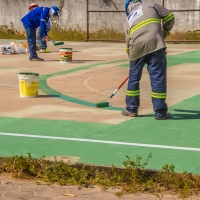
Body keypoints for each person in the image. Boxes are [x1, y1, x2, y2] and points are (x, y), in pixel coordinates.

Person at [122, 0, 175, 120]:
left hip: (136, 49)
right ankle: (160, 112)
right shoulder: (150, 4)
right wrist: (165, 30)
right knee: (157, 79)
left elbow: (127, 45)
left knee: (133, 79)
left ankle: (131, 109)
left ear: (128, 9)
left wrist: (133, 63)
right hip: (155, 45)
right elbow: (170, 16)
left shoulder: (128, 20)